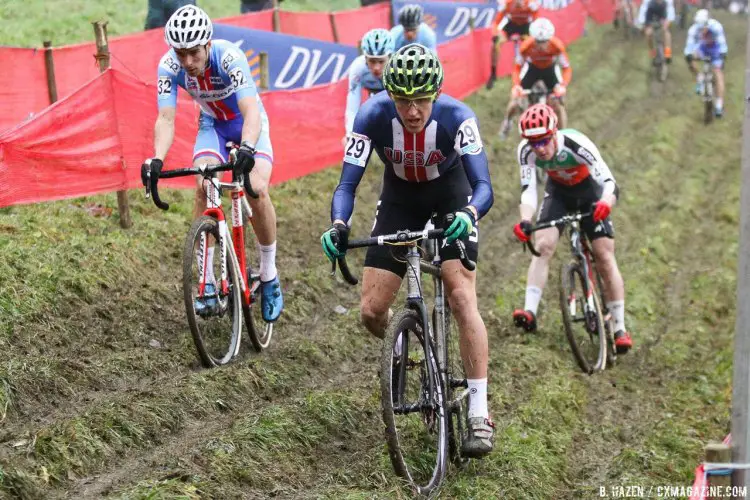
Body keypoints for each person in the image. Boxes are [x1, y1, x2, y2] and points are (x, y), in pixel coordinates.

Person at [321, 44, 496, 458]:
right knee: (370, 309)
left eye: (420, 100)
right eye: (402, 100)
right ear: (389, 95)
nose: (413, 110)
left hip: (452, 194)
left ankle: (478, 412)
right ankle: (402, 346)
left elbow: (485, 186)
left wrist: (470, 214)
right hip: (400, 199)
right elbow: (347, 185)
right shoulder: (371, 117)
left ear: (435, 92)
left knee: (459, 293)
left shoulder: (458, 117)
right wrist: (339, 223)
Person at [141, 5, 284, 322]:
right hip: (213, 127)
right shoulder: (169, 66)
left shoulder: (229, 57)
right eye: (181, 54)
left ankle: (269, 274)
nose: (187, 62)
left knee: (256, 188)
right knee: (205, 185)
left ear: (207, 44)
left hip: (247, 124)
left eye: (193, 53)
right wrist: (156, 159)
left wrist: (247, 147)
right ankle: (206, 282)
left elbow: (250, 111)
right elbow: (166, 119)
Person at [511, 104, 633, 354]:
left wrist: (606, 203)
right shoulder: (526, 151)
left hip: (590, 193)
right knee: (543, 246)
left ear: (555, 132)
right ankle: (530, 311)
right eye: (534, 143)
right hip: (559, 194)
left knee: (604, 255)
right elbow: (528, 191)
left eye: (544, 141)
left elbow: (609, 182)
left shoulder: (577, 145)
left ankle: (619, 327)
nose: (540, 148)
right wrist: (525, 220)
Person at [499, 18, 571, 138]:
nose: (541, 45)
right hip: (532, 69)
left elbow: (566, 68)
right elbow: (517, 67)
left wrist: (562, 86)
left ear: (550, 38)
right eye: (538, 41)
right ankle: (507, 122)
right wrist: (516, 86)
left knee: (558, 103)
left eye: (545, 42)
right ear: (533, 38)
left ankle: (563, 135)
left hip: (550, 71)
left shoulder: (557, 46)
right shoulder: (526, 46)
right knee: (515, 100)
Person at [343, 29, 395, 146]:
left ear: (390, 57)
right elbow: (352, 105)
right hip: (374, 93)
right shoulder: (358, 67)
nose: (376, 67)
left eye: (381, 61)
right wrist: (350, 134)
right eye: (372, 61)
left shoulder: (398, 67)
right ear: (365, 57)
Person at [487, 0, 540, 90]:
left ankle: (533, 71)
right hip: (511, 26)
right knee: (494, 44)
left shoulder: (531, 4)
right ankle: (493, 74)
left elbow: (537, 22)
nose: (519, 3)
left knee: (532, 46)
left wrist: (533, 37)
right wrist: (496, 34)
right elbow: (496, 22)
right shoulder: (506, 4)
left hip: (526, 27)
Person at [684, 9, 728, 117]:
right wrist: (689, 56)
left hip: (715, 50)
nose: (702, 30)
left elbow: (722, 44)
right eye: (699, 27)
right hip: (701, 49)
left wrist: (722, 54)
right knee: (691, 61)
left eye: (703, 26)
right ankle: (700, 78)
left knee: (718, 73)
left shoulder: (716, 27)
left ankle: (719, 105)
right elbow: (689, 47)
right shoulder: (693, 30)